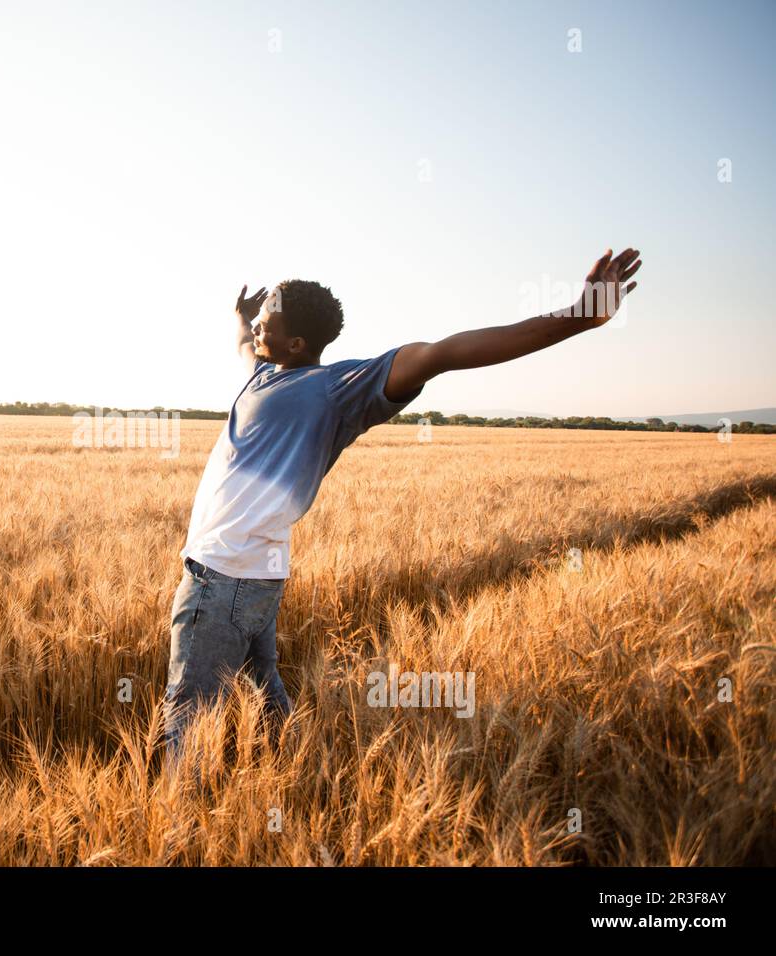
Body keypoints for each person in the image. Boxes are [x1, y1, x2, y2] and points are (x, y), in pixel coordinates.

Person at [161, 248, 643, 771]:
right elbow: (242, 343)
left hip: (222, 579)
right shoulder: (262, 374)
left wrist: (579, 316)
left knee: (186, 720)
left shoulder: (335, 391)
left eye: (268, 312)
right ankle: (301, 784)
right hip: (254, 578)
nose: (258, 322)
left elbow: (444, 352)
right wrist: (241, 316)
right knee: (267, 704)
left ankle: (172, 817)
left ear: (297, 342)